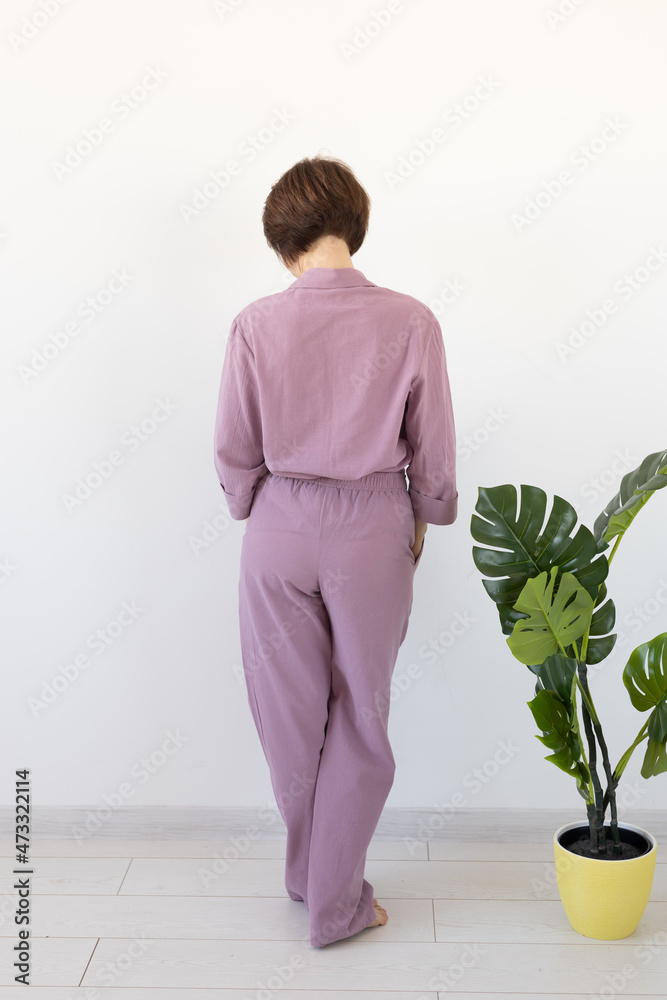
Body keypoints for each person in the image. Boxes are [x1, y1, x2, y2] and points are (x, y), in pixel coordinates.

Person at [213, 153, 457, 948]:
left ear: (285, 243)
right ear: (352, 225)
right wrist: (425, 515)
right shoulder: (412, 319)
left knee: (288, 718)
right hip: (371, 529)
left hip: (278, 526)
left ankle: (308, 877)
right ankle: (336, 898)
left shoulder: (255, 322)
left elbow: (235, 449)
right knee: (360, 717)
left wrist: (255, 504)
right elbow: (434, 448)